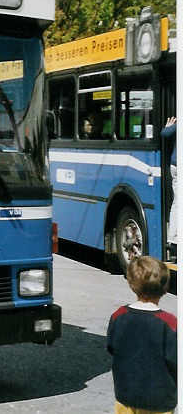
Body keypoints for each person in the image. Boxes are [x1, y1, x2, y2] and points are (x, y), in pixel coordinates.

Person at [106, 256, 177, 414]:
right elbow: (175, 360)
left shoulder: (118, 315)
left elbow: (111, 347)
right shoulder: (170, 323)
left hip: (126, 396)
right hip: (160, 400)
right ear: (165, 287)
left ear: (131, 284)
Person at [161, 116, 176, 252]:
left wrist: (167, 127)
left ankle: (173, 238)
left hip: (175, 165)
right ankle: (173, 238)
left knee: (177, 202)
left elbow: (165, 134)